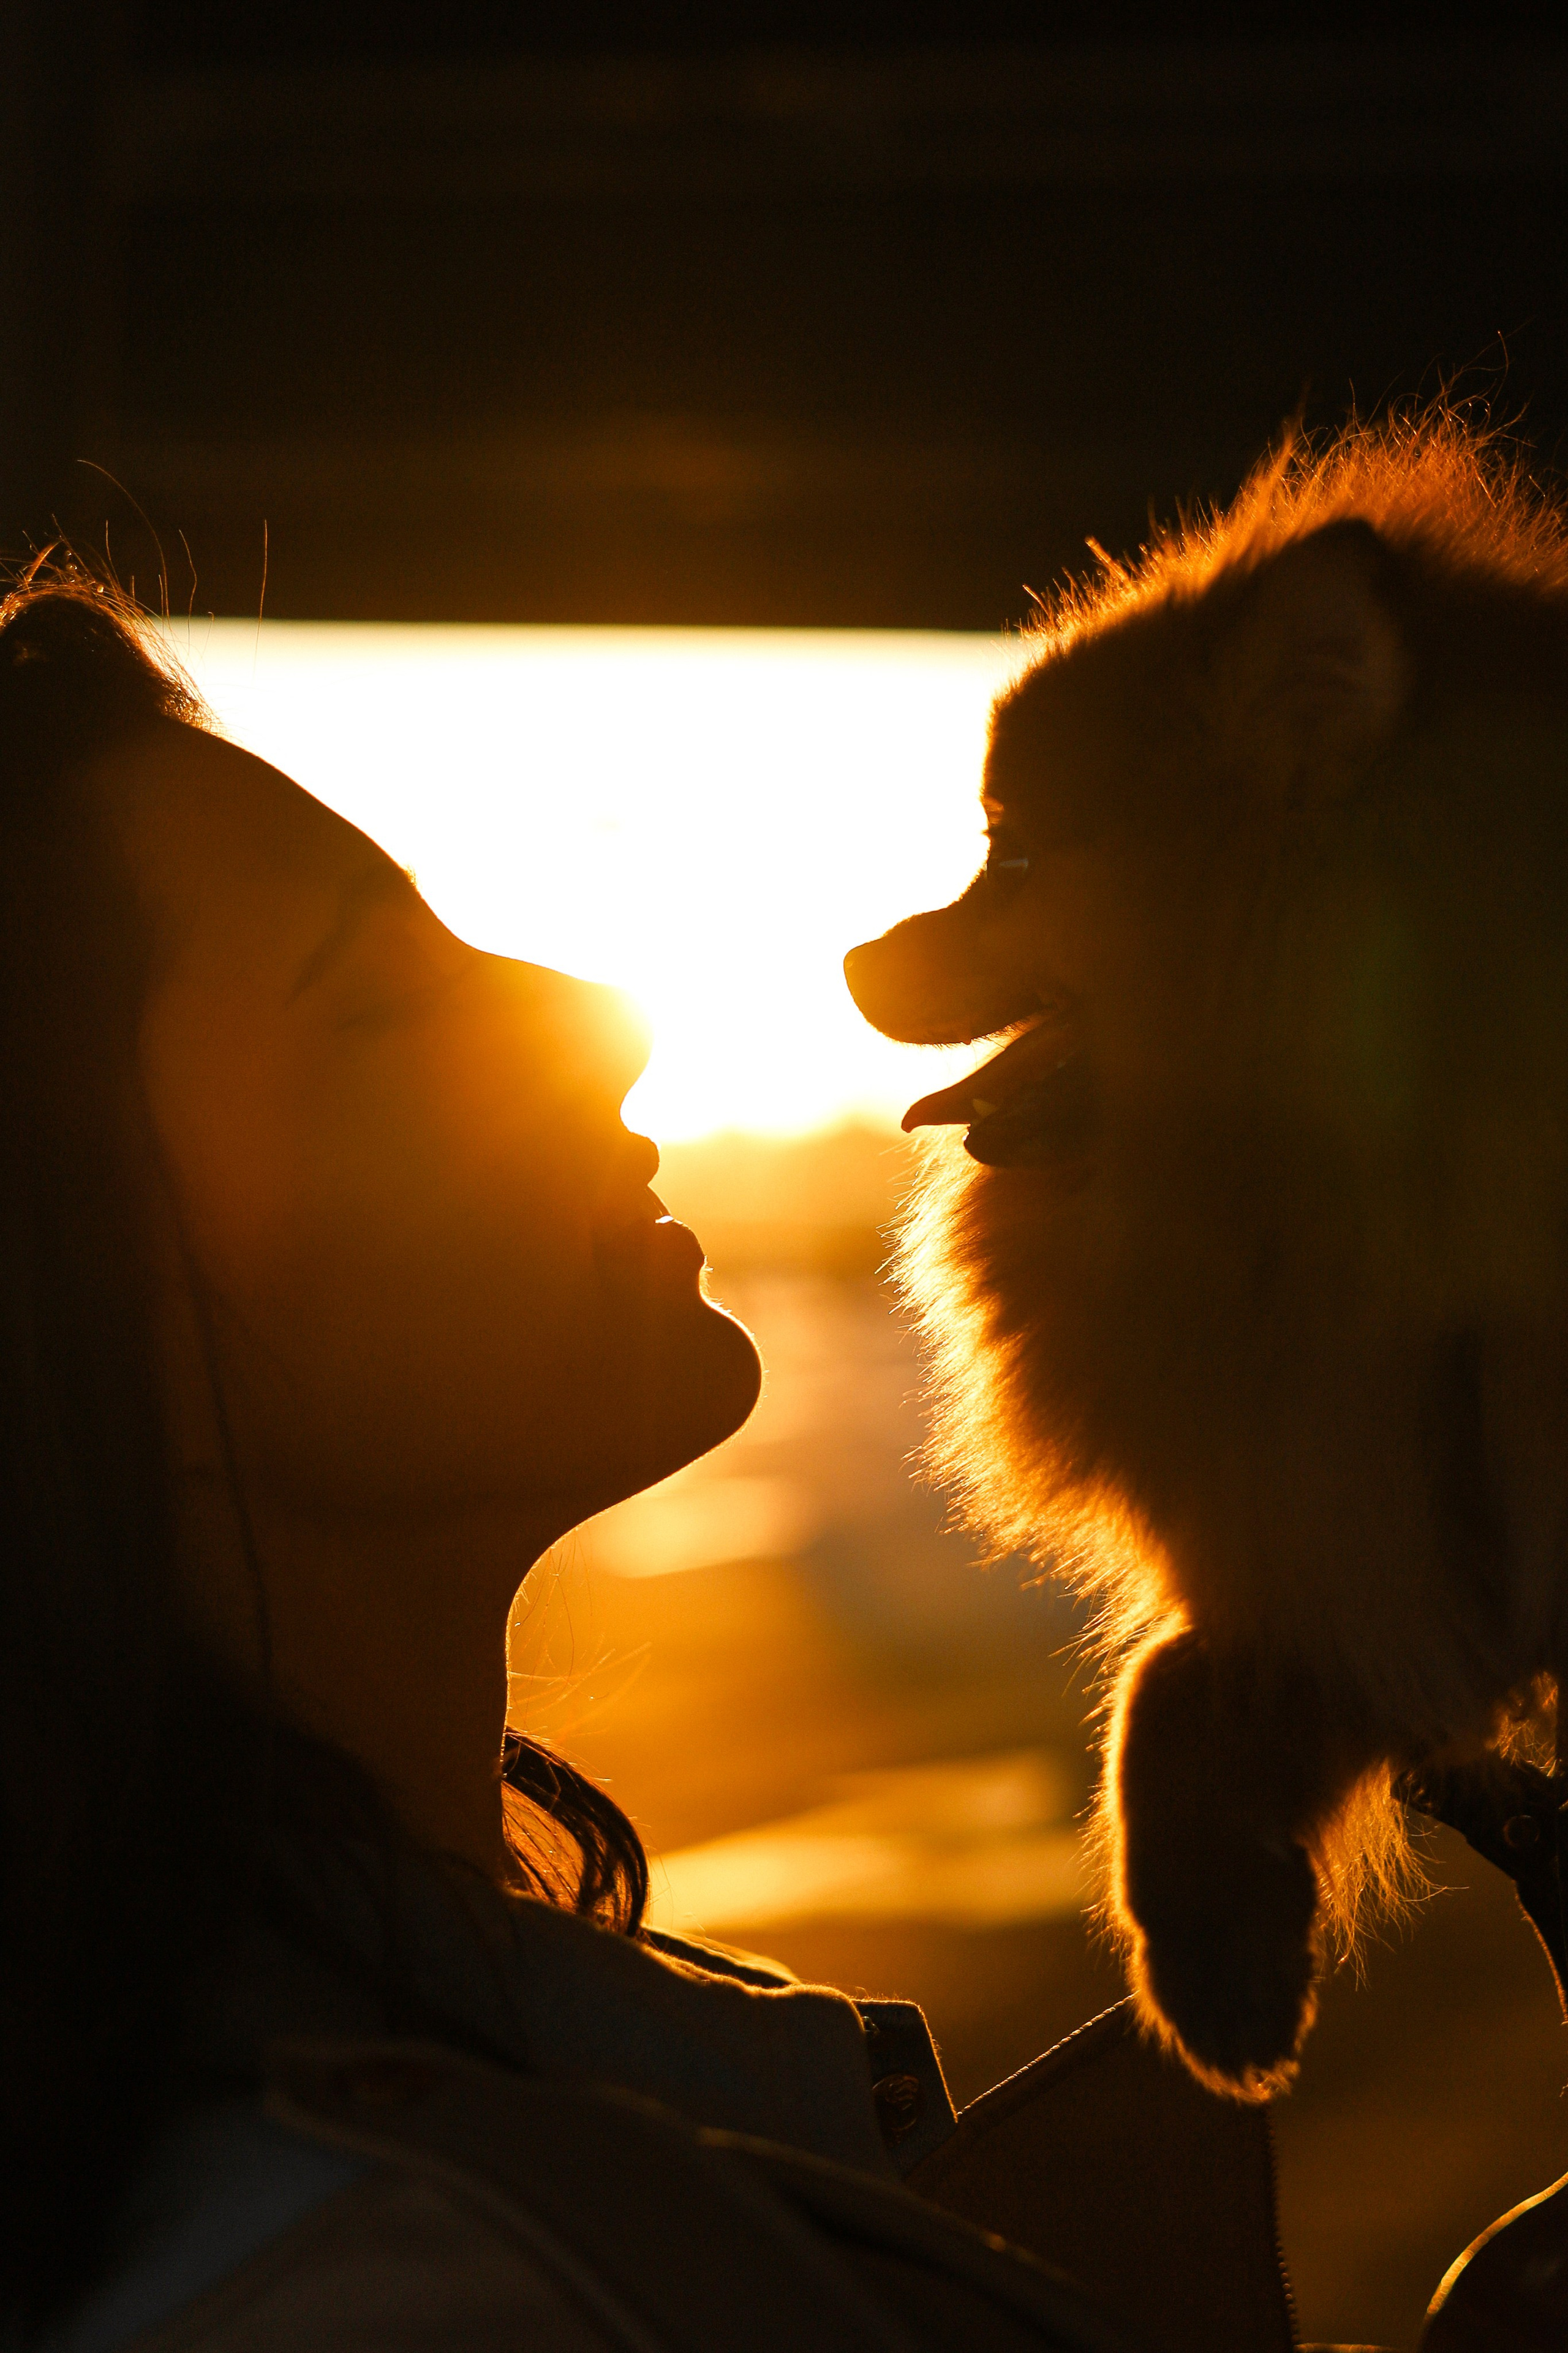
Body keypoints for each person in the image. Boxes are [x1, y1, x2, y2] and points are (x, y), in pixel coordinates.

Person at [0, 573, 1131, 2353]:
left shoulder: (481, 2116)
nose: (608, 1013)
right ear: (67, 1294)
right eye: (376, 999)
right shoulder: (387, 2292)